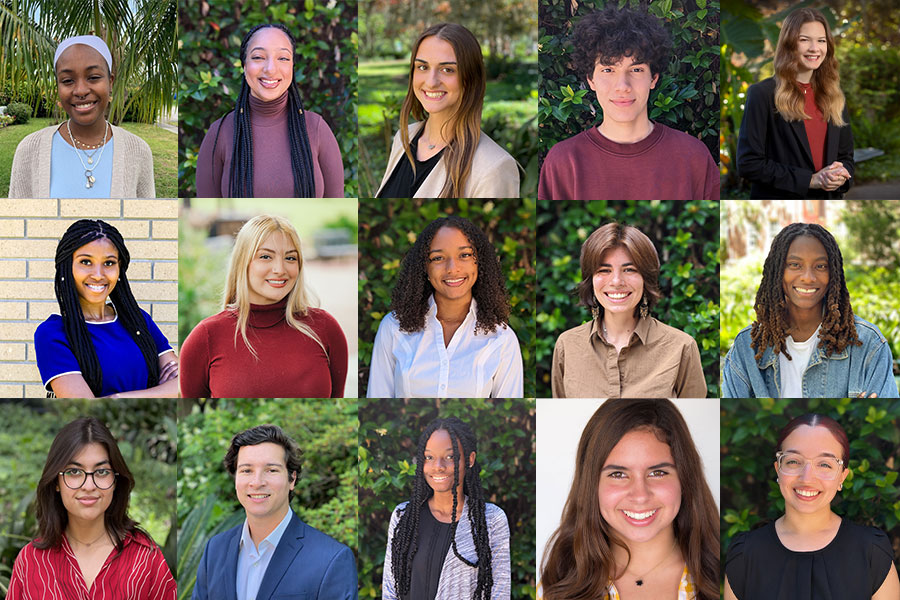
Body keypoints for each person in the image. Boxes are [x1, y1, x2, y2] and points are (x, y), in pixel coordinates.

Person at [539, 399, 719, 600]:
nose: (640, 495)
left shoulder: (726, 574)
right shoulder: (554, 589)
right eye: (618, 474)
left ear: (685, 477)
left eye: (658, 472)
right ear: (591, 485)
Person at [538, 6, 718, 200]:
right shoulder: (564, 161)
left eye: (636, 70)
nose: (622, 86)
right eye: (608, 70)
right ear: (591, 80)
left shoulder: (693, 157)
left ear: (654, 78)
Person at [724, 413, 900, 600]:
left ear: (842, 476)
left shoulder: (872, 551)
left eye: (824, 464)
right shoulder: (745, 553)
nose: (807, 478)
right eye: (793, 461)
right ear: (778, 469)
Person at [722, 222, 898, 398]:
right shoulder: (747, 348)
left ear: (833, 273)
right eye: (794, 264)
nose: (808, 278)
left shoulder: (868, 344)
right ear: (777, 271)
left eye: (820, 266)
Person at [180, 214, 347, 398]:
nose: (280, 269)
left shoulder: (325, 328)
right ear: (242, 262)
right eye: (266, 256)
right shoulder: (206, 337)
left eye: (290, 258)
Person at [7, 417, 175, 599]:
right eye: (74, 472)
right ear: (56, 481)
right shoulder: (31, 561)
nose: (88, 486)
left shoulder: (145, 558)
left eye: (101, 472)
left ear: (115, 481)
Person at [192, 425, 357, 599]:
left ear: (292, 479)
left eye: (271, 470)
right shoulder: (215, 549)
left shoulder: (332, 559)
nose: (257, 482)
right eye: (246, 470)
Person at [367, 215, 523, 398]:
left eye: (464, 255)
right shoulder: (394, 328)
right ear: (424, 267)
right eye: (438, 258)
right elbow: (377, 397)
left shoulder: (502, 339)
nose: (452, 268)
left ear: (479, 262)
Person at [551, 222, 707, 398]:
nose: (617, 281)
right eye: (604, 270)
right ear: (591, 279)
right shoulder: (567, 345)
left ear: (645, 278)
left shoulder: (681, 347)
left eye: (629, 269)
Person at [195, 23, 344, 198]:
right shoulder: (219, 133)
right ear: (244, 66)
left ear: (292, 67)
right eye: (258, 57)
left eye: (283, 58)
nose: (271, 69)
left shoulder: (317, 129)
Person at [34, 219, 178, 398]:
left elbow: (181, 384)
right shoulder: (53, 333)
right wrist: (159, 392)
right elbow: (84, 405)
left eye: (109, 263)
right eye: (86, 262)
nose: (98, 275)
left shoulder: (138, 320)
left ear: (119, 270)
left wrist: (117, 398)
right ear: (67, 268)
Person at [376, 23, 519, 198]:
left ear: (471, 78)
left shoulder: (494, 167)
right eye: (423, 67)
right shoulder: (403, 138)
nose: (431, 82)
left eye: (447, 70)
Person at [8, 35, 155, 198]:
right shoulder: (29, 149)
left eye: (93, 77)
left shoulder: (138, 151)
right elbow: (17, 221)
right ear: (58, 86)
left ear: (110, 82)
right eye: (68, 80)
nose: (80, 90)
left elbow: (147, 220)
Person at [383, 417, 510, 600]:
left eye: (450, 457)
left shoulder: (491, 519)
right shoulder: (403, 516)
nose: (438, 467)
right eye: (429, 457)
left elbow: (500, 593)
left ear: (470, 459)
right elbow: (390, 589)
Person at [736, 8, 853, 199]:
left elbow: (846, 158)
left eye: (821, 40)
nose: (815, 48)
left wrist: (841, 175)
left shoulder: (835, 96)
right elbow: (748, 164)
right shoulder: (762, 94)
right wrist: (810, 180)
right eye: (804, 40)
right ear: (789, 43)